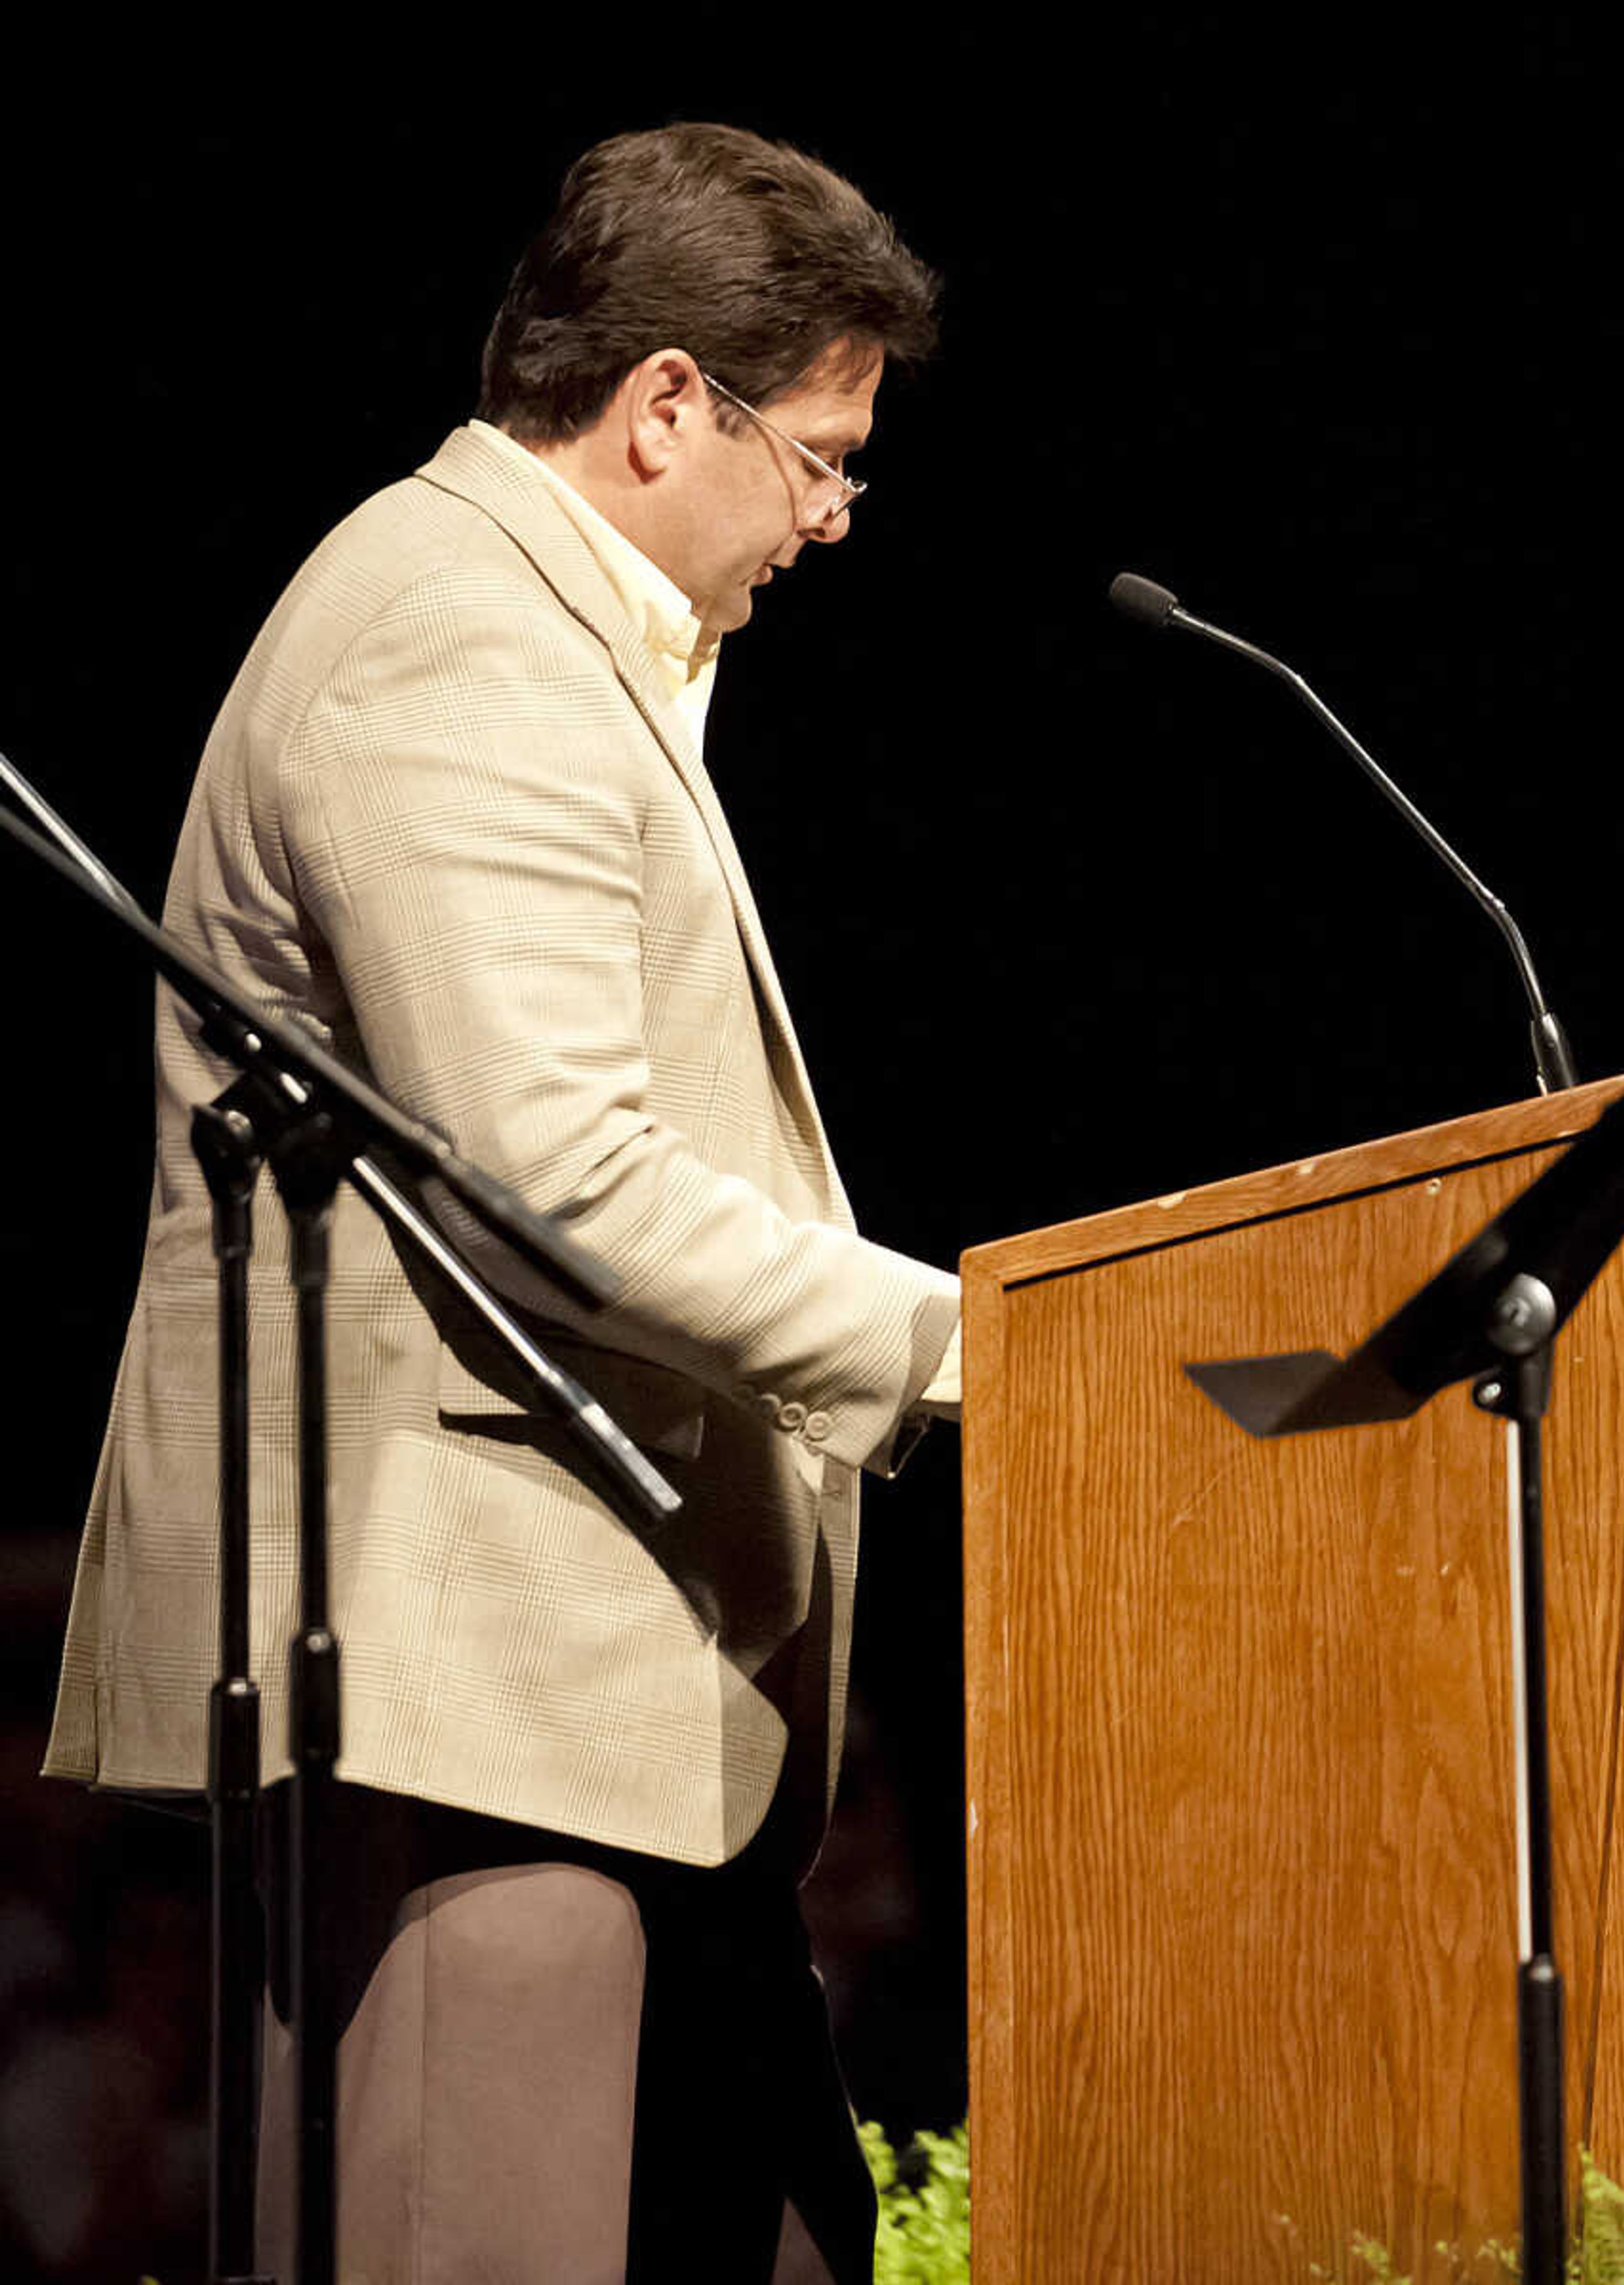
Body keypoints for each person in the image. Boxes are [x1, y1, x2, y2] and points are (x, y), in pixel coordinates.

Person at [42, 122, 960, 2283]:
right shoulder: (456, 635)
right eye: (822, 457)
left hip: (612, 1703)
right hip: (476, 1704)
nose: (831, 520)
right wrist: (969, 1352)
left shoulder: (545, 637)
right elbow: (562, 1176)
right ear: (665, 406)